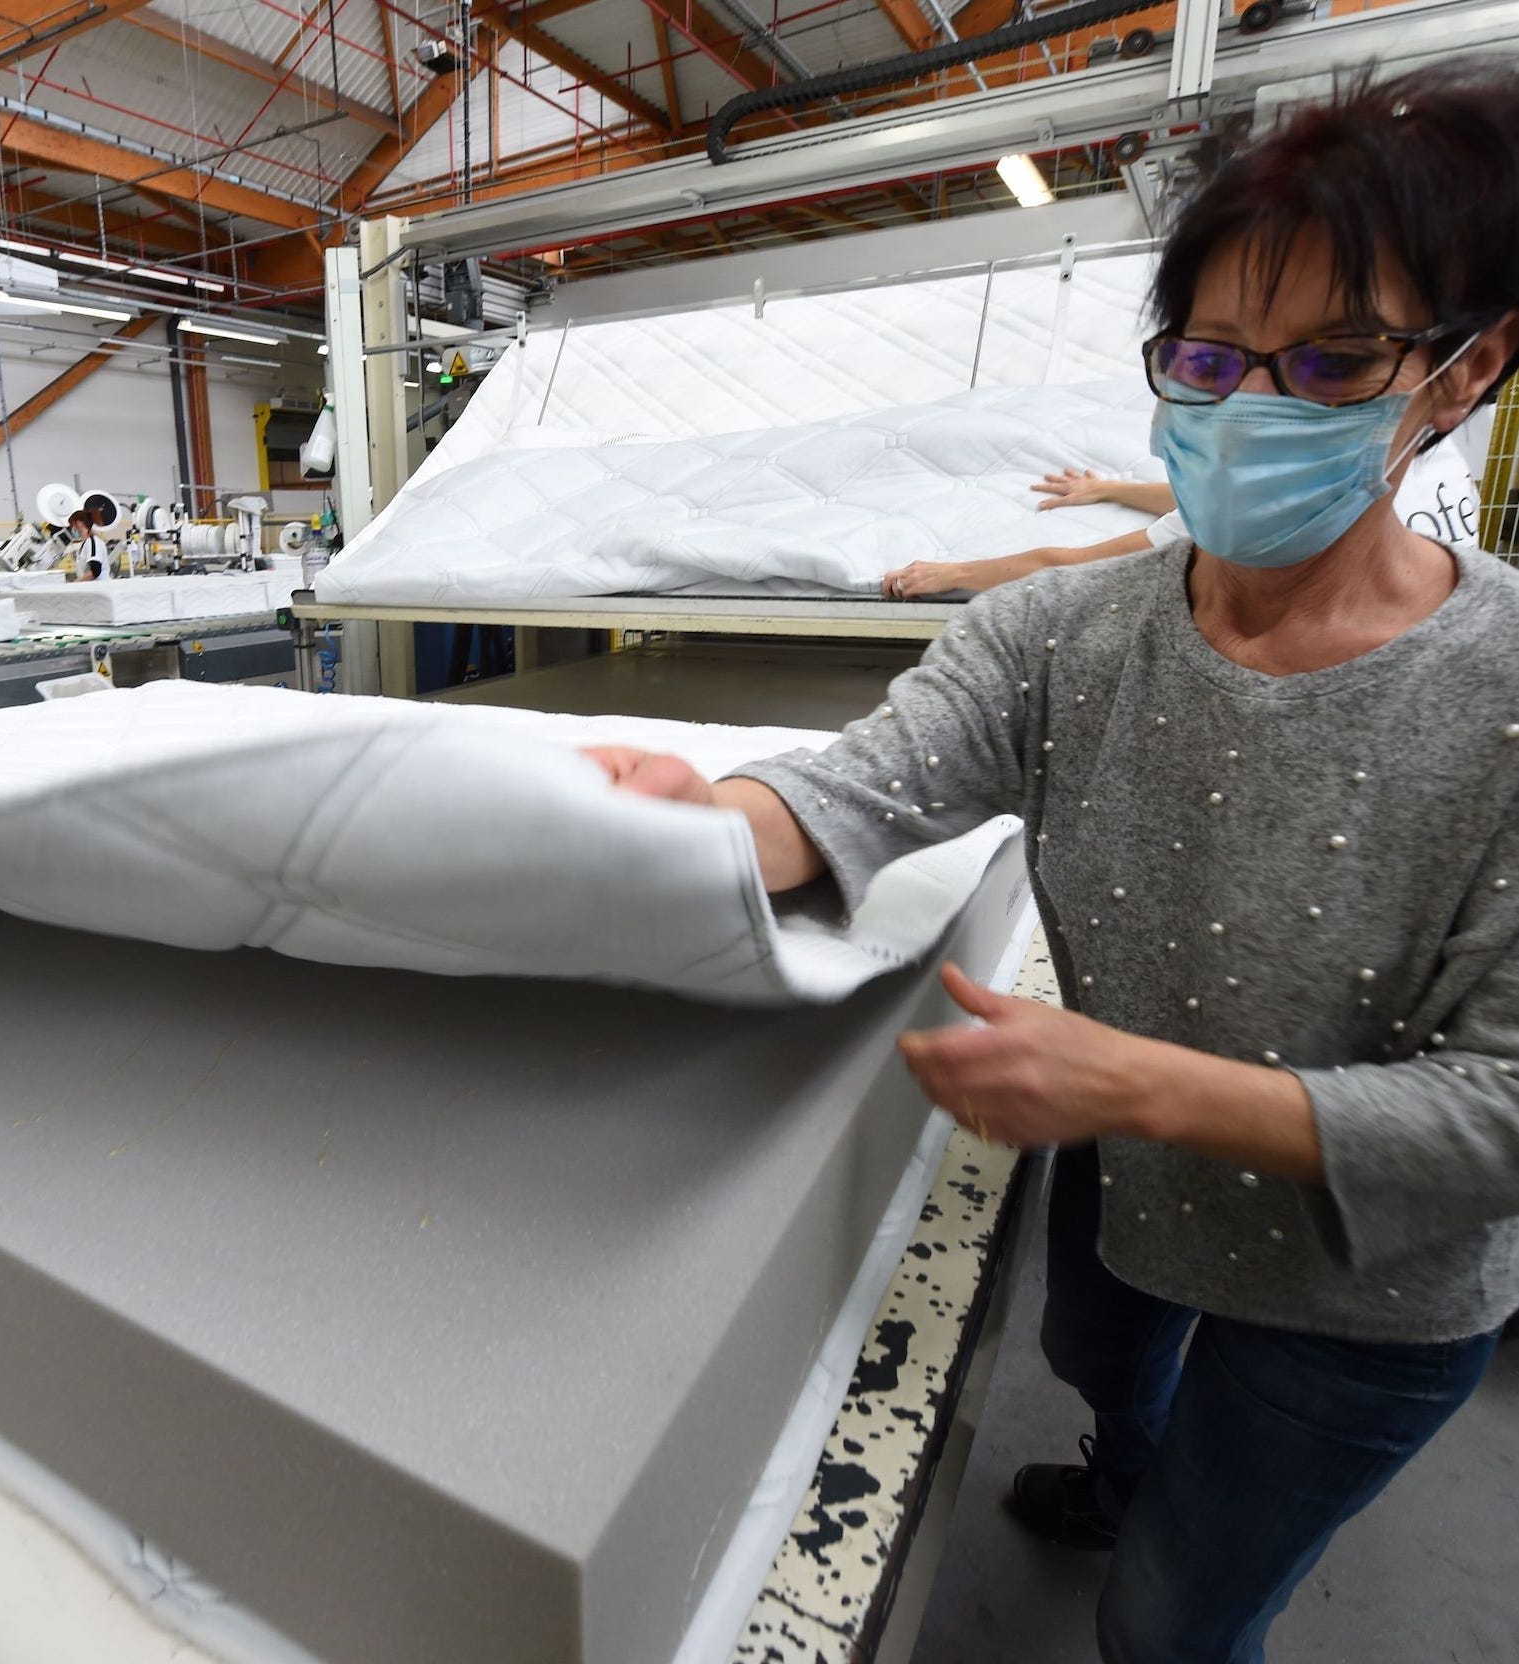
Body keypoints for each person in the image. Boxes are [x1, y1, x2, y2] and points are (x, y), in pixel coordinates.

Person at [588, 66, 1519, 1663]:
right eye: (1209, 361)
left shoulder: (1499, 698)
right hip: (1136, 1183)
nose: (1250, 410)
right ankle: (1123, 1465)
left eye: (1331, 362)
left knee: (1169, 1619)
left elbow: (1502, 1109)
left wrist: (1132, 1088)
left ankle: (1156, 1550)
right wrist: (707, 812)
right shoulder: (1063, 634)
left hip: (1366, 1290)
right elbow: (866, 785)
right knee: (1109, 1367)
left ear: (1458, 372)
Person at [882, 412, 1486, 599]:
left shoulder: (1257, 518)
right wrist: (1110, 489)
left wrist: (951, 572)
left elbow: (1068, 564)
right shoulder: (1439, 458)